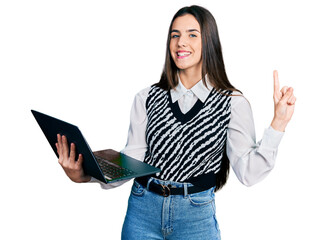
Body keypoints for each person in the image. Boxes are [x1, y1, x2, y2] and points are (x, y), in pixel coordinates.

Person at [55, 5, 296, 240]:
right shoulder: (146, 97)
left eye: (192, 34)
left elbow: (249, 174)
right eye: (175, 35)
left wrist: (279, 123)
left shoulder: (232, 102)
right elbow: (133, 158)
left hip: (196, 217)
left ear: (209, 42)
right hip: (142, 211)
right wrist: (86, 175)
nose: (181, 42)